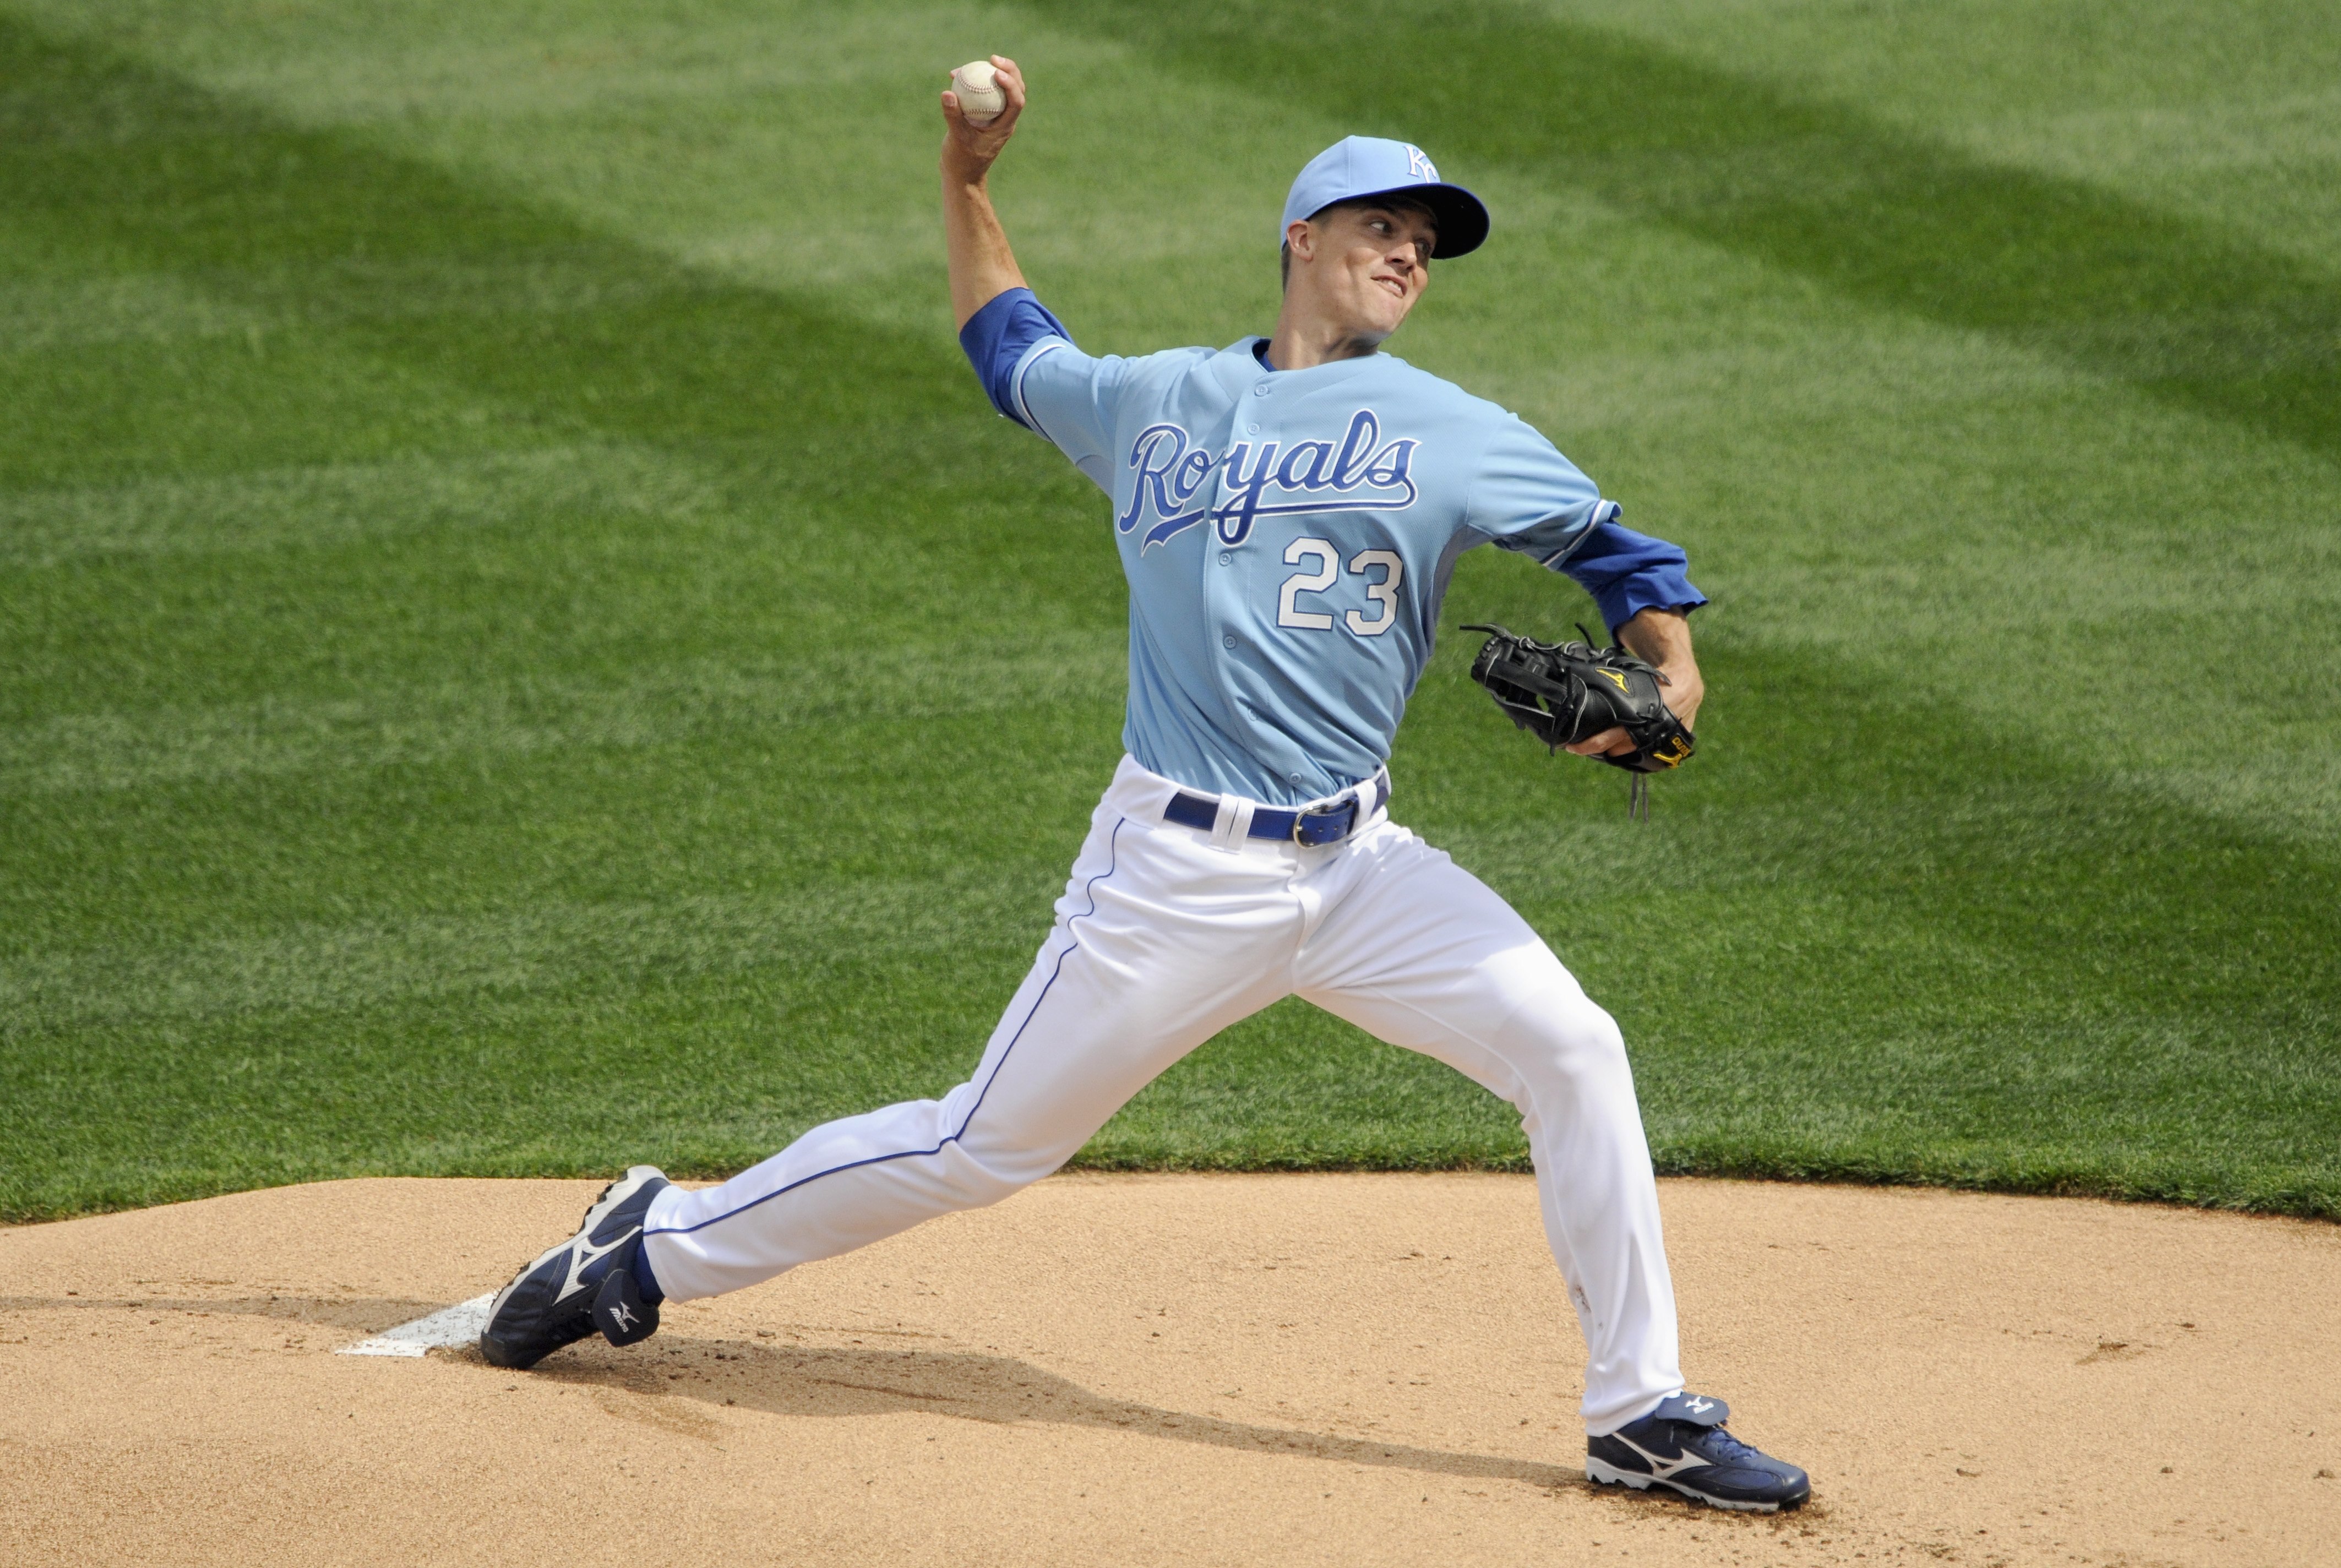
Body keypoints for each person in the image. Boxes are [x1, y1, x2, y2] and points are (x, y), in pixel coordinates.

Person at [480, 57, 1809, 1513]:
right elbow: (1011, 348)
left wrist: (1670, 675)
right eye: (1383, 227)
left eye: (1427, 244)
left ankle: (1643, 1415)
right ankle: (649, 1244)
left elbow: (1624, 558)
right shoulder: (1155, 402)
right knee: (981, 1144)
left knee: (1573, 1048)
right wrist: (967, 180)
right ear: (1301, 237)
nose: (1408, 256)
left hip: (1364, 871)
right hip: (1176, 877)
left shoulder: (1454, 427)